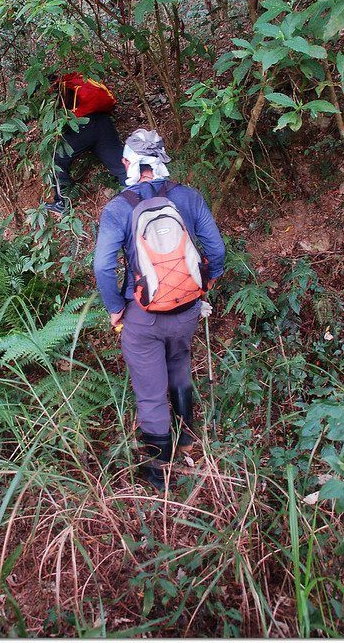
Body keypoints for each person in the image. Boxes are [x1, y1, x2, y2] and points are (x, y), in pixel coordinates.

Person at [93, 129, 225, 490]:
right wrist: (205, 285)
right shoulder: (188, 197)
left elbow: (103, 266)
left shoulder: (119, 207)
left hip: (142, 315)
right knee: (179, 366)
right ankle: (185, 437)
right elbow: (216, 249)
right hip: (185, 311)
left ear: (126, 163)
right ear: (163, 160)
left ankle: (157, 473)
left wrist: (115, 308)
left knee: (150, 391)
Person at [44, 72, 128, 214]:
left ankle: (62, 202)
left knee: (57, 159)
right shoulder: (77, 80)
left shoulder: (60, 89)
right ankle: (136, 195)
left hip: (83, 126)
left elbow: (65, 116)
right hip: (103, 123)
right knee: (120, 165)